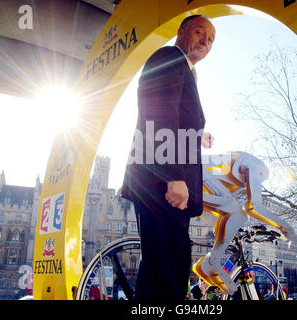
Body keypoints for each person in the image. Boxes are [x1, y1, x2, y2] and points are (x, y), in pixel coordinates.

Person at [121, 15, 216, 300]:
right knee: (164, 267)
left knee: (168, 266)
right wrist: (173, 175)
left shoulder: (185, 70)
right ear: (181, 32)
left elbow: (174, 116)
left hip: (164, 183)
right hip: (159, 183)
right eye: (200, 32)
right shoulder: (170, 57)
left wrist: (196, 135)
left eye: (211, 39)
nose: (205, 41)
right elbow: (159, 112)